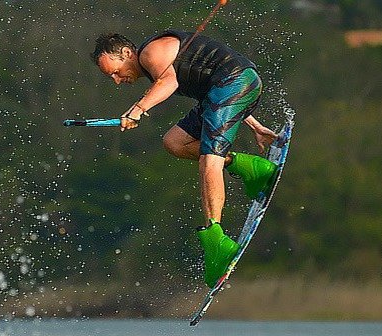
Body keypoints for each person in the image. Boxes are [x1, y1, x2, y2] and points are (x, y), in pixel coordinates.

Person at [90, 30, 278, 288]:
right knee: (174, 142)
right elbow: (219, 99)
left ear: (125, 53)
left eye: (114, 71)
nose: (116, 80)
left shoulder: (151, 53)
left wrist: (138, 109)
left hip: (235, 83)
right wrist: (254, 125)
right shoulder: (154, 65)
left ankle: (216, 239)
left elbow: (169, 82)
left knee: (209, 159)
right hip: (227, 90)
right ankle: (251, 167)